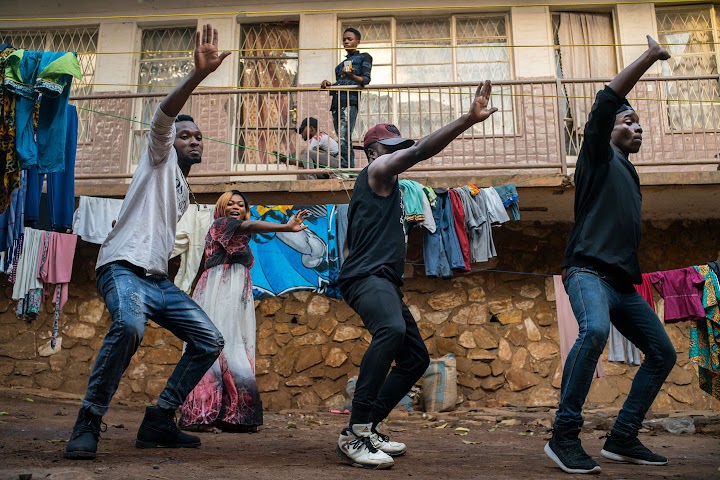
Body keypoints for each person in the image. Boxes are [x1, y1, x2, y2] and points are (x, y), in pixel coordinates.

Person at [64, 24, 231, 459]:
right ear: (170, 142)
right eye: (185, 135)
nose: (193, 140)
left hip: (157, 281)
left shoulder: (181, 187)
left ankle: (159, 419)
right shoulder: (157, 159)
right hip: (122, 268)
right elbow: (163, 116)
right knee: (130, 326)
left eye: (197, 137)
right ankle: (87, 421)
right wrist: (197, 76)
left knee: (210, 340)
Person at [336, 81, 498, 469]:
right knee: (390, 332)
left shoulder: (389, 193)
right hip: (367, 279)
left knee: (414, 359)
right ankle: (354, 432)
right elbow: (423, 149)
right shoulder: (376, 172)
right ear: (373, 154)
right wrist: (467, 119)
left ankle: (369, 425)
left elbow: (349, 242)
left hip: (380, 281)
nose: (401, 155)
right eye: (394, 150)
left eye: (401, 148)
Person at [545, 36, 677, 475]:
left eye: (641, 125)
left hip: (623, 285)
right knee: (594, 331)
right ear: (610, 128)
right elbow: (606, 100)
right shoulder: (597, 155)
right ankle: (563, 437)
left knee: (662, 353)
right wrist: (650, 56)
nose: (637, 128)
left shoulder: (629, 173)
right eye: (630, 121)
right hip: (587, 273)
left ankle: (622, 437)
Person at [179, 191, 309, 432]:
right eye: (231, 203)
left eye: (241, 204)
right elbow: (248, 225)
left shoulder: (237, 233)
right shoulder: (222, 224)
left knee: (234, 347)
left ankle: (234, 414)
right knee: (218, 346)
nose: (236, 207)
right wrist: (286, 227)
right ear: (221, 208)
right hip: (220, 289)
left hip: (235, 291)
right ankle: (203, 413)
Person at [320, 27, 372, 170]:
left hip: (350, 101)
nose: (346, 42)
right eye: (344, 40)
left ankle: (346, 168)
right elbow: (341, 83)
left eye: (350, 39)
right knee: (342, 138)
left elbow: (365, 80)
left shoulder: (364, 57)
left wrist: (352, 76)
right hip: (337, 102)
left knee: (344, 138)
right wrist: (329, 84)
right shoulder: (339, 66)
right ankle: (347, 168)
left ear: (358, 41)